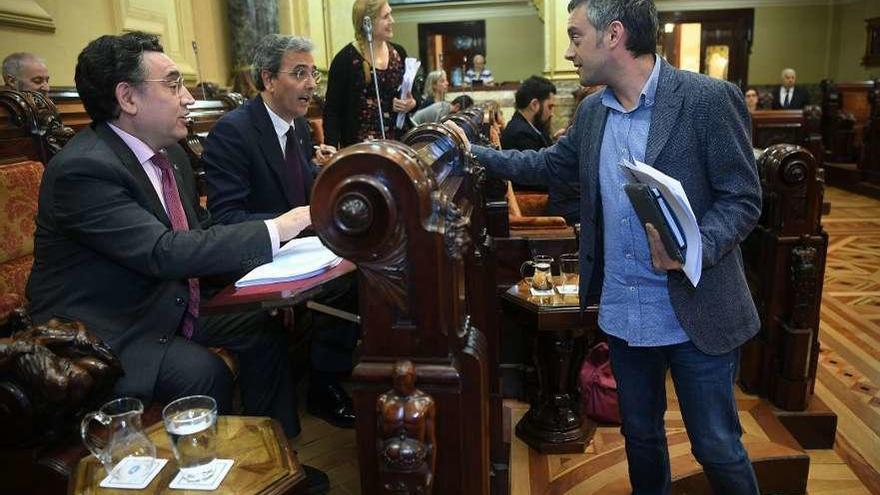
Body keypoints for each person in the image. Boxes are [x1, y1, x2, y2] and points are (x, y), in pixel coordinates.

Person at [457, 1, 762, 493]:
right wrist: (472, 153)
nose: (569, 51)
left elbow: (743, 197)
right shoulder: (592, 111)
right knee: (640, 436)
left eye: (576, 37)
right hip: (624, 309)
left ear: (613, 34)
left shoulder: (707, 99)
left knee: (716, 446)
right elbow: (549, 165)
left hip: (698, 308)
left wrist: (694, 247)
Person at [23, 32, 331, 493]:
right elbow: (162, 251)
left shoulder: (171, 158)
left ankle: (273, 460)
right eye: (172, 85)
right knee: (199, 370)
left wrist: (268, 277)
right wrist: (282, 226)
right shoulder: (82, 170)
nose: (188, 97)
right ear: (127, 97)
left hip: (167, 302)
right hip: (110, 328)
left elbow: (203, 233)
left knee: (260, 328)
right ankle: (206, 477)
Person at [202, 34, 357, 431]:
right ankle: (315, 397)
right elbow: (227, 219)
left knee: (367, 271)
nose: (311, 84)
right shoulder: (233, 133)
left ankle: (330, 381)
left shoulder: (299, 129)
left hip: (301, 253)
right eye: (299, 73)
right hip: (256, 263)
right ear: (269, 79)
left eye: (313, 74)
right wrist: (292, 225)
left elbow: (303, 191)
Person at [322, 0, 417, 148]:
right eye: (386, 16)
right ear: (368, 23)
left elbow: (414, 93)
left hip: (399, 145)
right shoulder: (345, 60)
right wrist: (331, 148)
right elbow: (332, 111)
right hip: (361, 150)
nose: (392, 20)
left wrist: (411, 103)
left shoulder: (399, 53)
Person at [501, 75, 557, 152]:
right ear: (534, 105)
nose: (552, 114)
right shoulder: (521, 135)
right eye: (549, 107)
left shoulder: (534, 127)